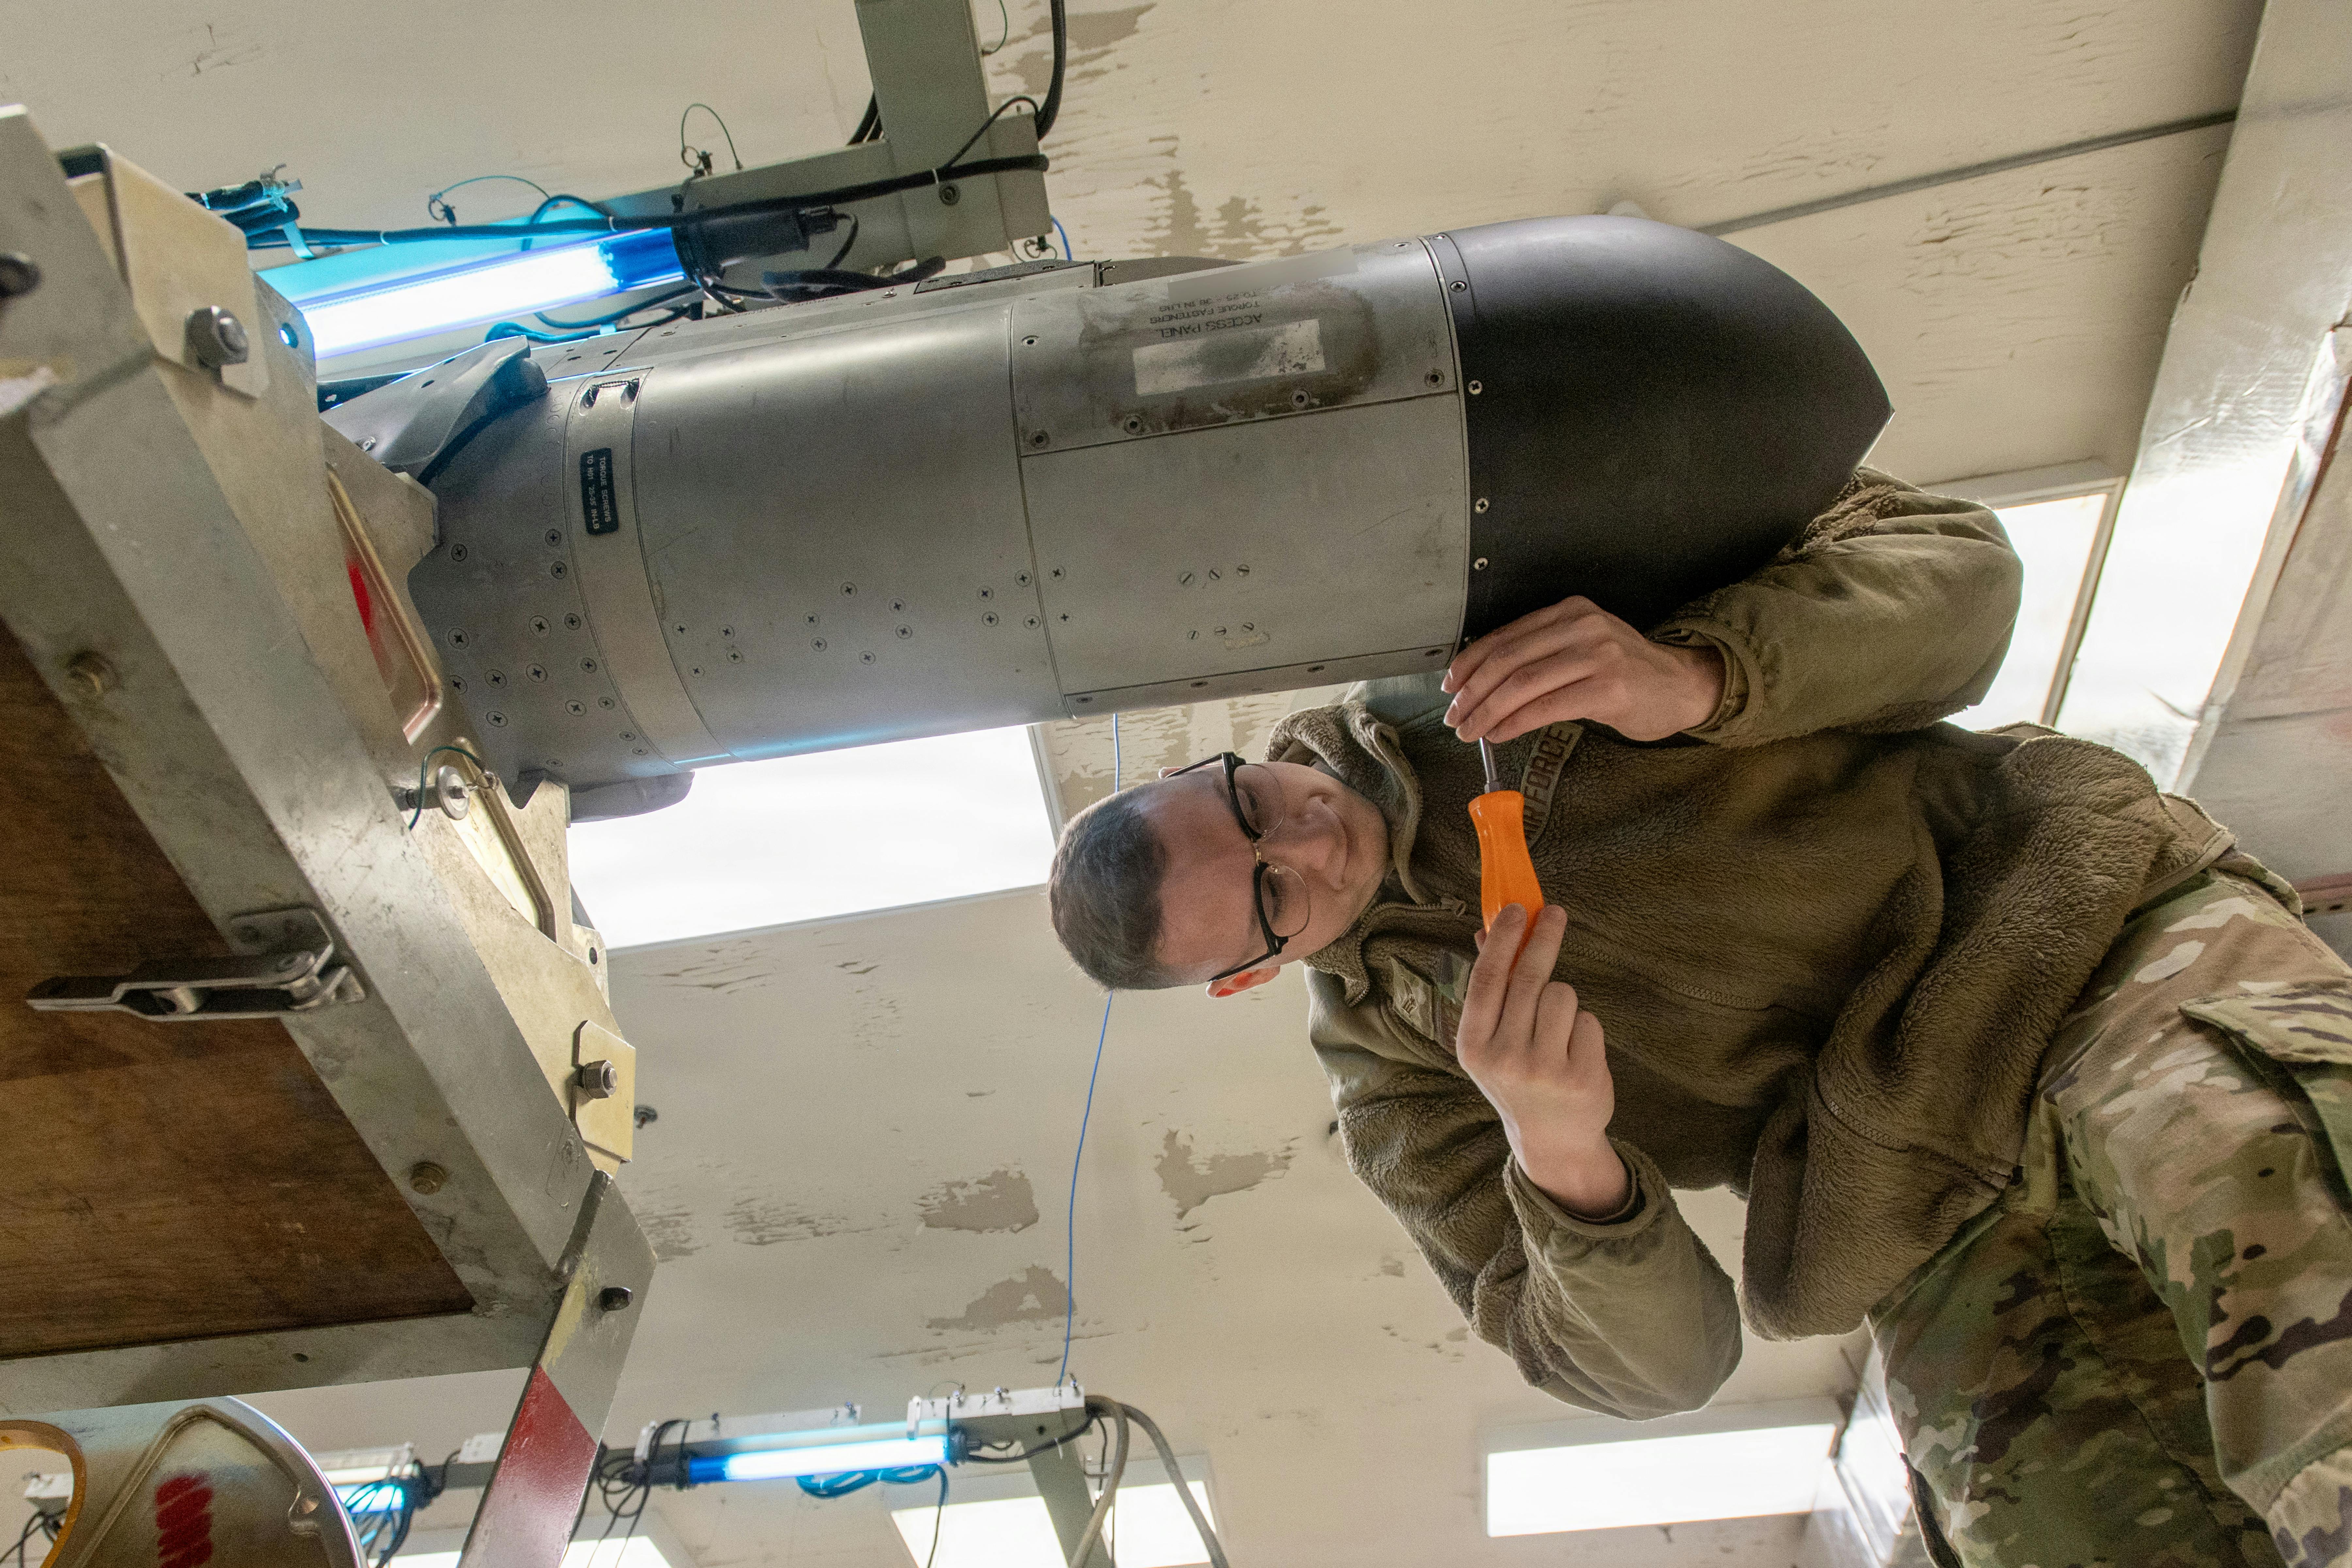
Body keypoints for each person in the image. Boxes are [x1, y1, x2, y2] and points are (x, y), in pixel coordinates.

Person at [1046, 468, 2352, 1568]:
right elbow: (1654, 1370)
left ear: (1188, 762)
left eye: (1249, 800)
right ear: (1249, 976)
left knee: (2286, 1244)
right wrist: (1570, 1167)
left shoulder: (1492, 619)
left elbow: (1960, 573)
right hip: (1923, 1207)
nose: (1309, 833)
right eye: (1275, 895)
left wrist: (1703, 675)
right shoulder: (1403, 1086)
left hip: (2083, 939)